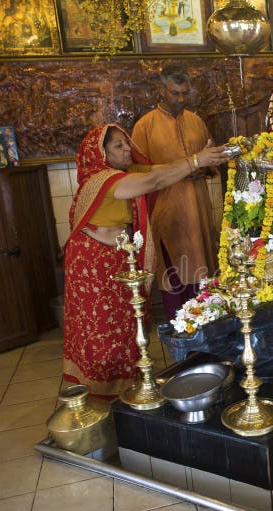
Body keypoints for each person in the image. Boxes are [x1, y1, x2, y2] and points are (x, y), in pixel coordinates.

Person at [63, 124, 229, 398]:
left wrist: (200, 157)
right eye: (118, 145)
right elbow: (154, 182)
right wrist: (198, 160)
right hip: (94, 266)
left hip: (116, 260)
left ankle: (124, 382)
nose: (128, 148)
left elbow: (160, 170)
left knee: (125, 324)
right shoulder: (103, 179)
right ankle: (102, 390)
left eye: (126, 143)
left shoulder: (123, 173)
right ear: (99, 153)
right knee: (102, 328)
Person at [131, 65, 222, 320]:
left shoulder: (196, 121)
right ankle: (180, 328)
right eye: (175, 93)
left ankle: (206, 322)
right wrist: (180, 169)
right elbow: (137, 171)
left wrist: (201, 169)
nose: (181, 99)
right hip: (168, 211)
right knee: (174, 273)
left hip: (198, 208)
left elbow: (211, 161)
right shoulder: (144, 126)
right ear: (161, 91)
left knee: (203, 268)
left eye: (184, 94)